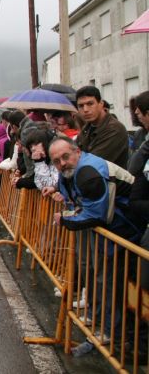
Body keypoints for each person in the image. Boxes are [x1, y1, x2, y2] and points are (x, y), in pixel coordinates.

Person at [45, 137, 139, 355]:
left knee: (108, 278)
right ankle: (102, 322)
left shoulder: (89, 172)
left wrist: (66, 220)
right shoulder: (70, 172)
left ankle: (112, 333)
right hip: (114, 226)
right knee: (96, 273)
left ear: (77, 152)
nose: (62, 163)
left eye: (65, 157)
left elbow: (96, 216)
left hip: (127, 226)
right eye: (57, 161)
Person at [76, 85, 129, 168]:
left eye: (90, 104)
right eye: (81, 106)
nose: (85, 109)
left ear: (101, 104)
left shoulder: (114, 129)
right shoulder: (87, 127)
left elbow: (91, 164)